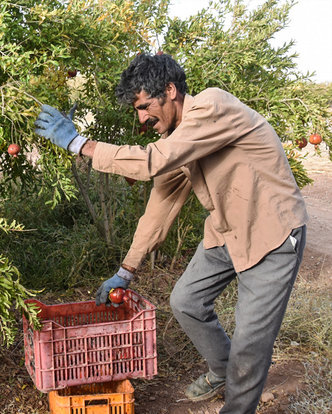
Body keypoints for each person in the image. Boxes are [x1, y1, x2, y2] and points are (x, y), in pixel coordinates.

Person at [33, 53, 307, 414]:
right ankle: (223, 370)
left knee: (250, 343)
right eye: (137, 109)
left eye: (145, 106)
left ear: (171, 91)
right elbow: (160, 204)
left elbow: (151, 161)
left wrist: (80, 144)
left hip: (271, 233)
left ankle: (237, 405)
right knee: (186, 301)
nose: (142, 117)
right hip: (227, 232)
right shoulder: (182, 140)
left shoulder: (211, 105)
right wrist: (126, 269)